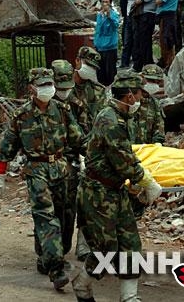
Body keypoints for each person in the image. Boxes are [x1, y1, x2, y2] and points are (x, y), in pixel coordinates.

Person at [71, 70, 162, 302]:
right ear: (130, 96)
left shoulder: (119, 117)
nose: (141, 99)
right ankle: (82, 285)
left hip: (115, 190)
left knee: (131, 243)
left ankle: (129, 297)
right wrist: (147, 182)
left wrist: (133, 183)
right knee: (105, 249)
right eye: (139, 94)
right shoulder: (110, 120)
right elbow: (123, 160)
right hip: (98, 194)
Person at [0, 67, 83, 291]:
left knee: (64, 217)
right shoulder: (21, 116)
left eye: (49, 84)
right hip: (36, 169)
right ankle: (56, 269)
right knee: (46, 218)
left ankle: (45, 256)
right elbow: (7, 147)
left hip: (61, 169)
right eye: (42, 85)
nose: (47, 89)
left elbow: (78, 138)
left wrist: (85, 158)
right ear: (32, 88)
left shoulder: (61, 110)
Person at [70, 46, 107, 260]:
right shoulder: (63, 88)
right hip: (67, 152)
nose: (89, 70)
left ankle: (84, 244)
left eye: (93, 67)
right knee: (66, 202)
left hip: (90, 153)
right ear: (77, 62)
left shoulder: (99, 92)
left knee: (88, 199)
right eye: (87, 65)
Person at [51, 59, 80, 259]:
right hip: (46, 165)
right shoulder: (42, 105)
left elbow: (80, 134)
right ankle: (48, 253)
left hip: (70, 162)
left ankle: (64, 246)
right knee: (47, 210)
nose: (64, 91)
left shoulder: (76, 103)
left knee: (68, 208)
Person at [132, 0, 160, 72]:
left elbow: (138, 1)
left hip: (147, 17)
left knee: (143, 41)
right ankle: (147, 62)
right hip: (148, 17)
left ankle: (142, 65)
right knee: (145, 41)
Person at [132, 64, 165, 145]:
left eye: (156, 81)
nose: (153, 84)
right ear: (142, 79)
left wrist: (157, 142)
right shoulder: (131, 99)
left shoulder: (155, 104)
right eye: (150, 80)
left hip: (146, 150)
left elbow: (159, 127)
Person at [120, 0, 145, 68]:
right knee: (126, 42)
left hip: (137, 18)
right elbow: (123, 3)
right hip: (127, 18)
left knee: (136, 42)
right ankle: (124, 63)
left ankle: (136, 64)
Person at [93, 0, 119, 85]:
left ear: (110, 3)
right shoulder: (99, 15)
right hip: (99, 47)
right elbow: (98, 30)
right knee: (100, 71)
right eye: (103, 2)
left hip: (110, 47)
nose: (105, 4)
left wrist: (109, 16)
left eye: (107, 2)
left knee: (110, 72)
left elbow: (115, 25)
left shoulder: (114, 14)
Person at [156, 0, 178, 71]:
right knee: (163, 40)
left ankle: (169, 64)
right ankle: (165, 62)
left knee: (167, 40)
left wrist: (157, 1)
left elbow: (159, 1)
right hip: (164, 17)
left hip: (168, 17)